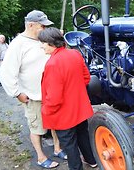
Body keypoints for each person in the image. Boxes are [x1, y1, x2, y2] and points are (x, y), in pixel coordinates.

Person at [0, 10, 67, 169]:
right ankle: (41, 158)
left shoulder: (43, 40)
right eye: (42, 26)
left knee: (55, 123)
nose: (45, 29)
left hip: (51, 93)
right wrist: (17, 93)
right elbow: (6, 72)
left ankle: (57, 148)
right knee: (37, 127)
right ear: (30, 25)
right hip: (33, 95)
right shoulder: (18, 44)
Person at [38, 27, 97, 170]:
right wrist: (74, 91)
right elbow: (86, 78)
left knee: (70, 146)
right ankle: (92, 160)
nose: (41, 46)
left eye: (43, 43)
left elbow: (54, 98)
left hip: (64, 114)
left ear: (51, 43)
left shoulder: (52, 64)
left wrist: (45, 110)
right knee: (83, 135)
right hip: (79, 108)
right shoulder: (75, 53)